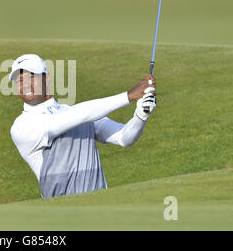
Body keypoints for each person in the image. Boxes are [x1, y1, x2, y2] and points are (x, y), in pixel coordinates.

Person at [9, 54, 157, 198]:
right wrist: (128, 96)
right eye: (19, 81)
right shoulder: (22, 127)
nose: (25, 84)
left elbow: (124, 137)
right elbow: (80, 115)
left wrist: (140, 115)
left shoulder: (74, 114)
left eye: (31, 76)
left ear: (47, 78)